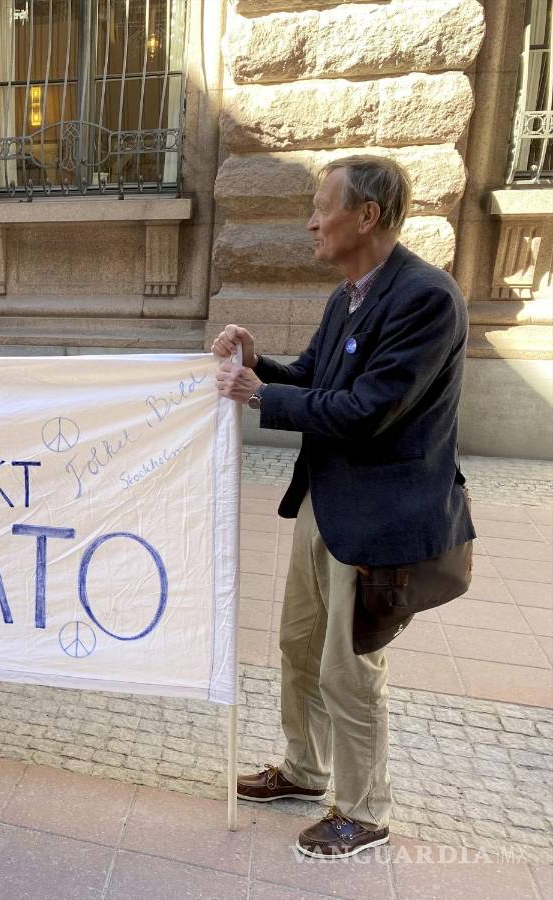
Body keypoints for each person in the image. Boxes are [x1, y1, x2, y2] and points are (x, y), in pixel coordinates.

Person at [211, 155, 474, 859]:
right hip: (327, 505)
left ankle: (363, 809)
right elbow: (317, 378)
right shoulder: (349, 295)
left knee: (348, 667)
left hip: (381, 523)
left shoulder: (427, 298)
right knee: (299, 646)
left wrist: (258, 394)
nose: (310, 220)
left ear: (368, 216)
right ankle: (303, 770)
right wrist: (261, 365)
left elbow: (367, 411)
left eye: (322, 205)